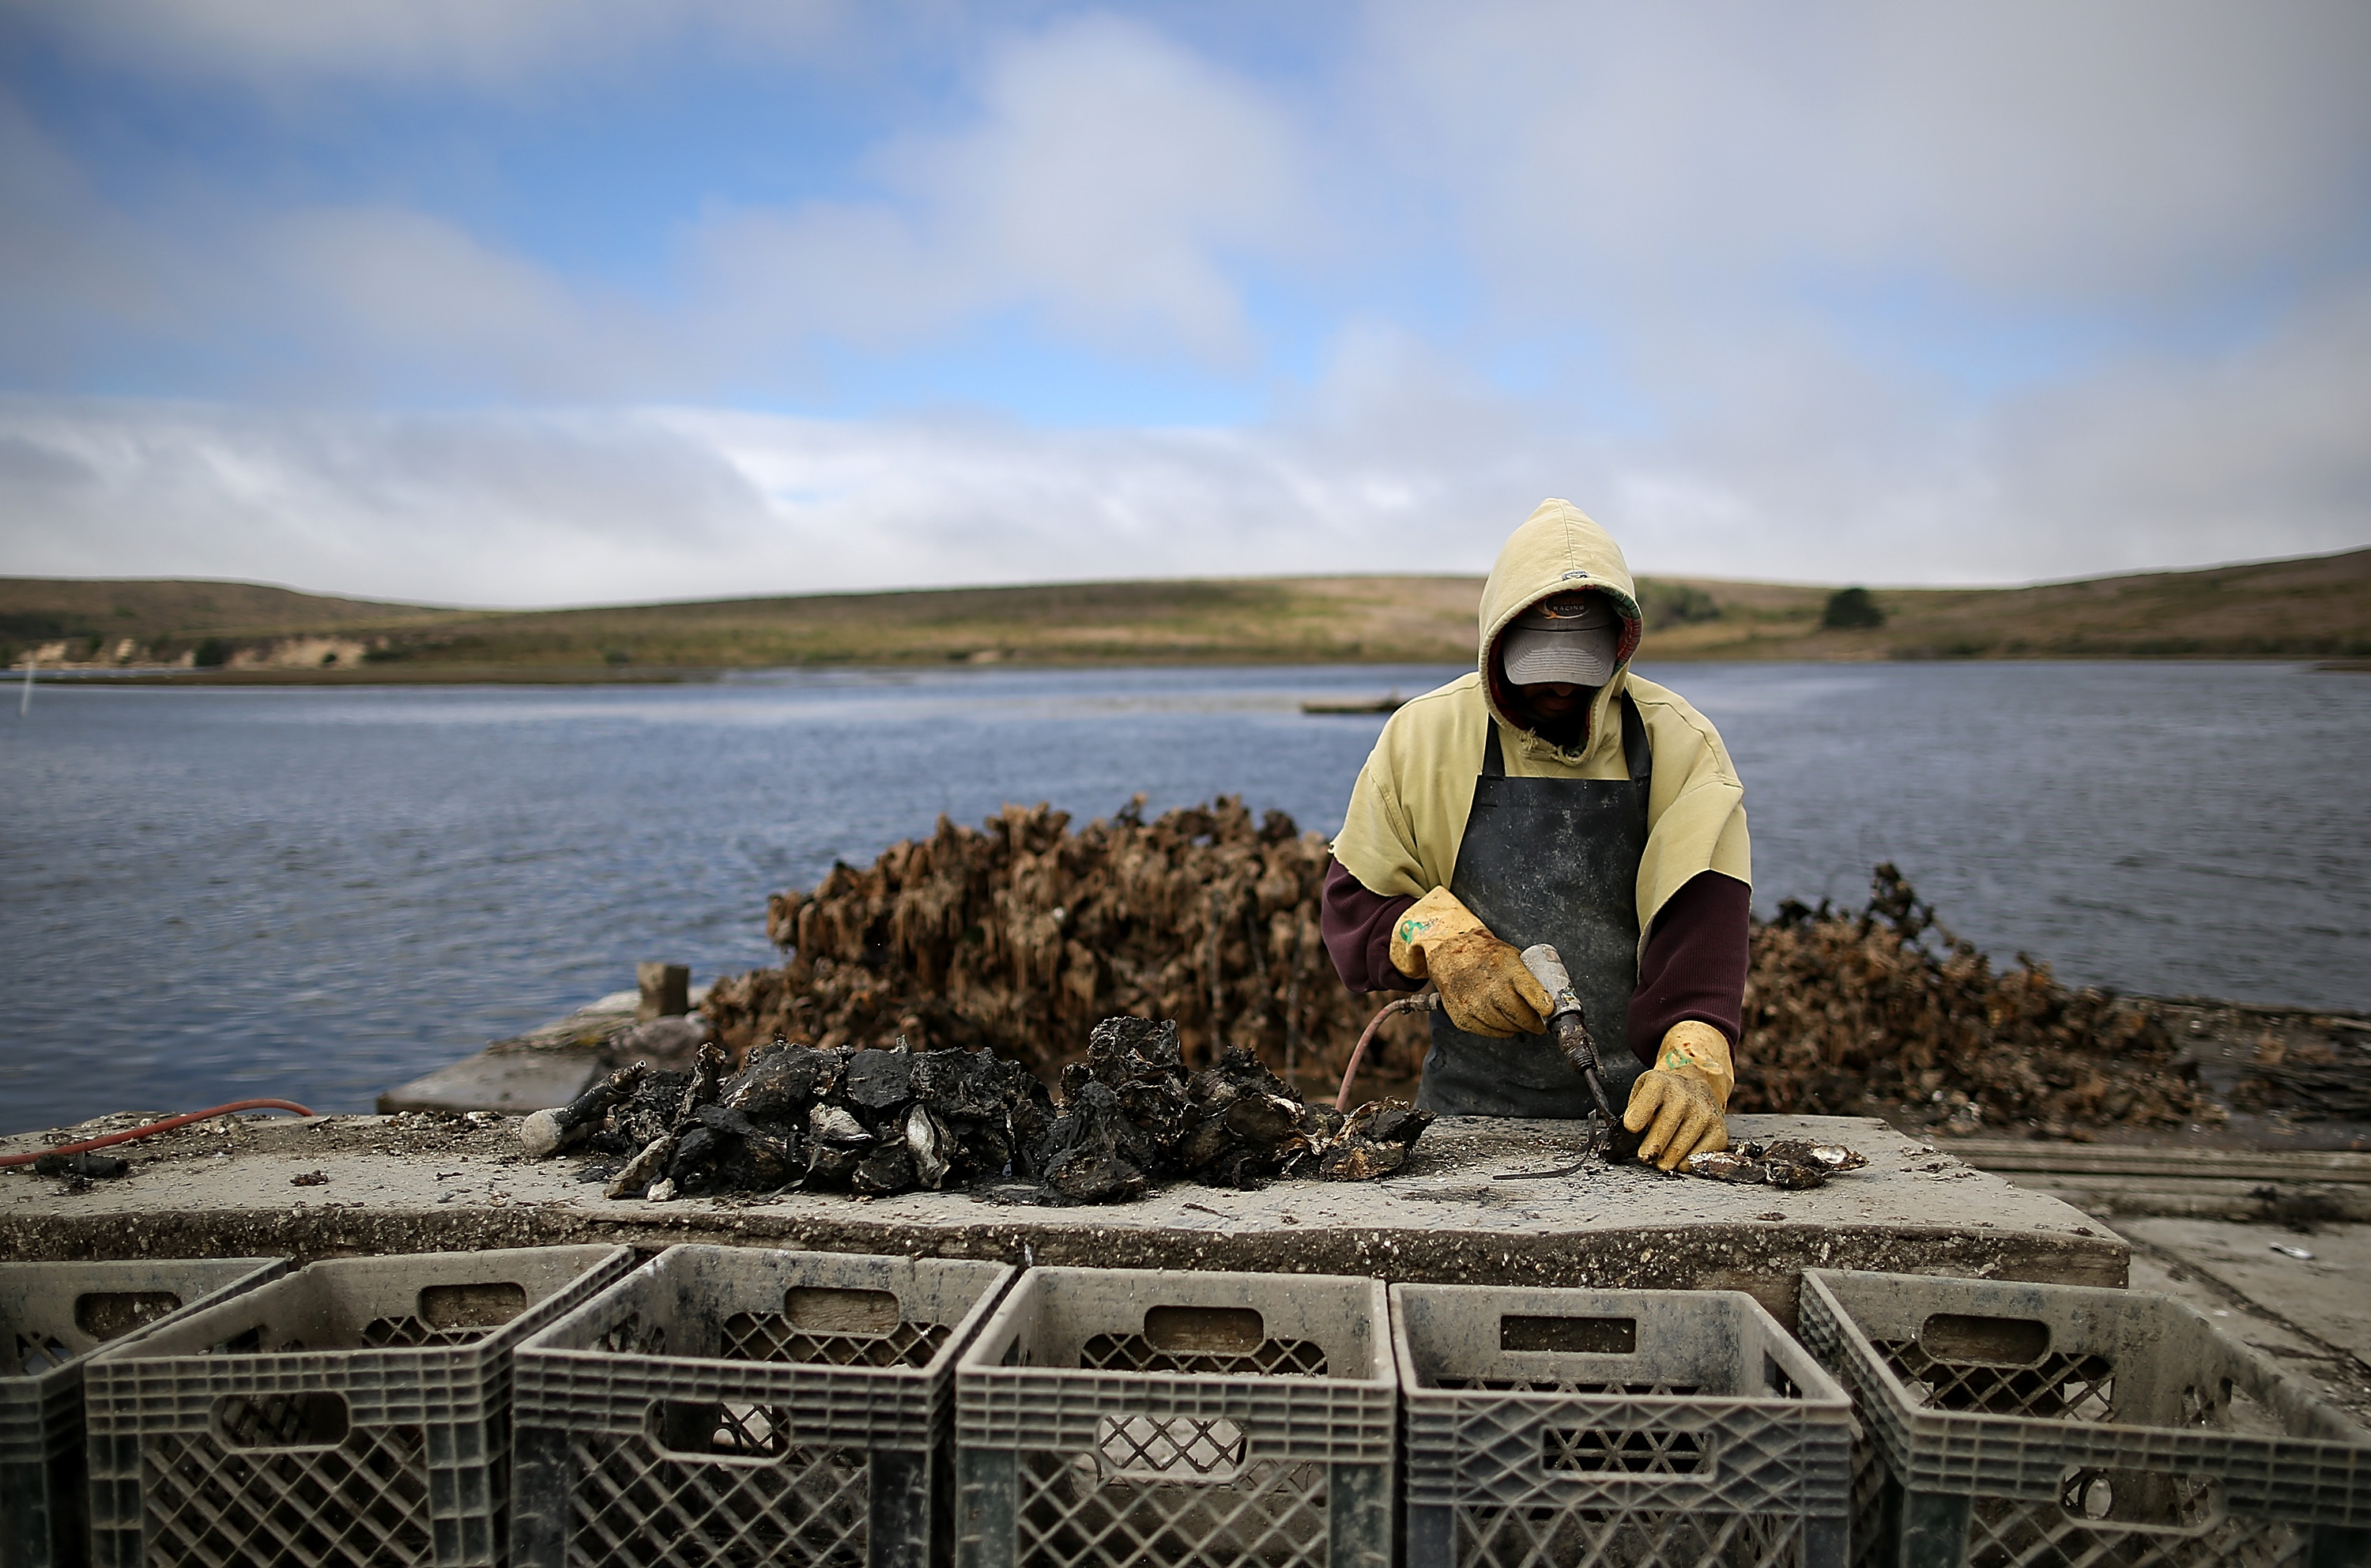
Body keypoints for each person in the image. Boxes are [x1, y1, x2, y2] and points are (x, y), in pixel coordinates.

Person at [1321, 499, 1751, 1170]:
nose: (1558, 686)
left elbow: (1703, 943)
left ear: (1621, 645)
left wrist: (1694, 1071)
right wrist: (1447, 944)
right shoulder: (1424, 738)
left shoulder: (1682, 746)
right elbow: (1354, 910)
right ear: (1497, 643)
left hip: (1637, 1124)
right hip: (1459, 1125)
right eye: (1538, 662)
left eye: (1579, 665)